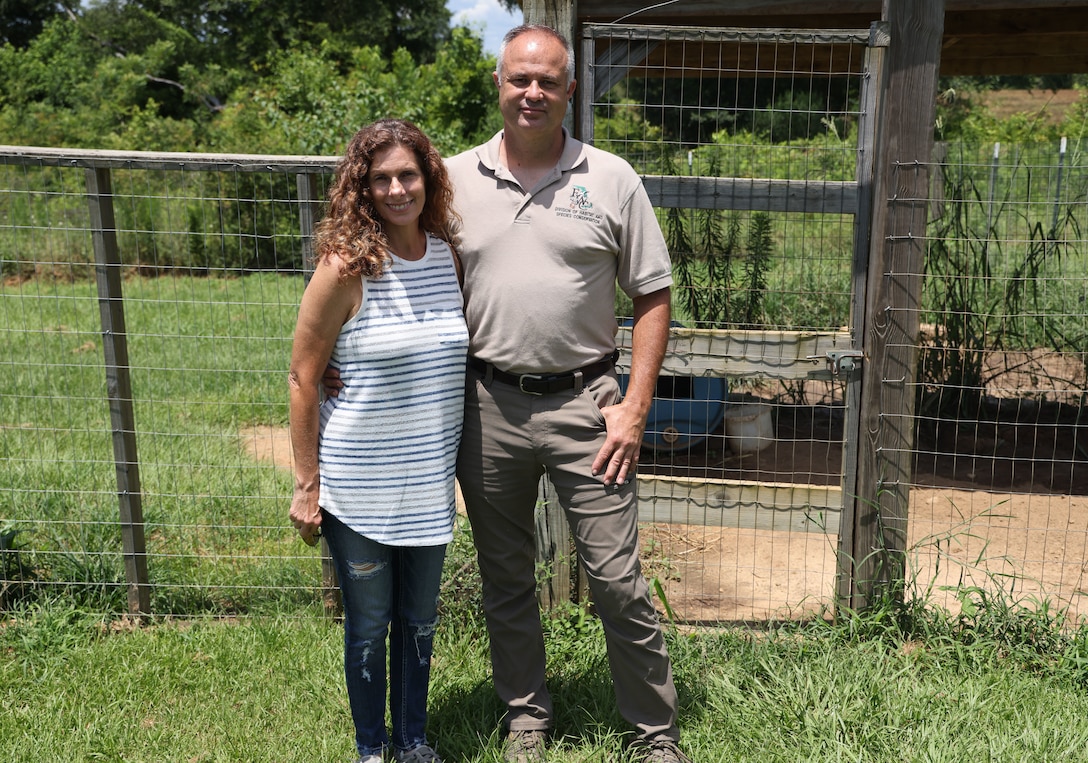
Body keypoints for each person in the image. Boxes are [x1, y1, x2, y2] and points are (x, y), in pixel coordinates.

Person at [446, 24, 690, 763]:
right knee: (506, 577)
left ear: (570, 90)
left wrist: (635, 408)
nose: (532, 92)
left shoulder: (610, 178)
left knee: (617, 580)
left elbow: (653, 294)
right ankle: (527, 719)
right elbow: (414, 283)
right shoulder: (454, 180)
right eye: (520, 79)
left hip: (589, 405)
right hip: (486, 403)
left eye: (548, 81)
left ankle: (655, 734)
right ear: (498, 83)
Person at [289, 118, 468, 763]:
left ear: (429, 179)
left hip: (427, 485)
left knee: (419, 623)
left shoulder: (449, 259)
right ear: (361, 189)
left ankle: (413, 743)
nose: (397, 189)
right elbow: (304, 375)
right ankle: (372, 749)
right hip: (358, 486)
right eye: (382, 178)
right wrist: (307, 485)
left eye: (408, 175)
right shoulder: (346, 269)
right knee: (368, 626)